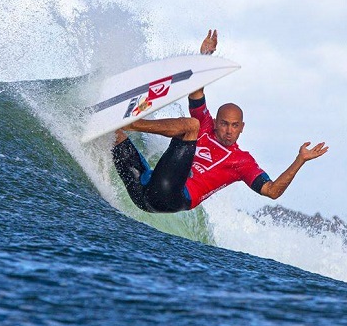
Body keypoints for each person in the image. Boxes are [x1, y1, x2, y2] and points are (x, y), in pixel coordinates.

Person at [111, 29, 328, 213]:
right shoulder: (206, 123)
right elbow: (196, 92)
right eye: (224, 123)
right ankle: (110, 126)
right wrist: (204, 56)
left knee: (191, 126)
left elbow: (272, 191)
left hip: (170, 197)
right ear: (216, 122)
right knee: (112, 136)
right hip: (143, 190)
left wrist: (301, 159)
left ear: (242, 128)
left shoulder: (241, 162)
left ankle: (132, 123)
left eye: (234, 126)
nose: (228, 130)